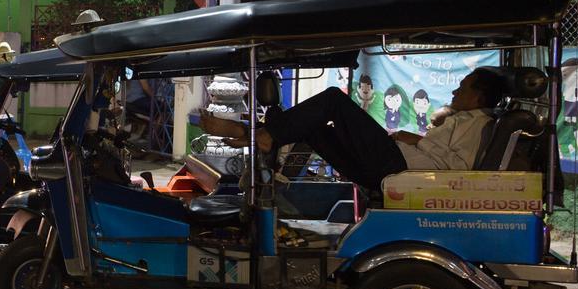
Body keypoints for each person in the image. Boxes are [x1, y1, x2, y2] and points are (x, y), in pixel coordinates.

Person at [200, 68, 507, 192]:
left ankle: (260, 134)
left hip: (399, 167)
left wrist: (418, 141)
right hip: (390, 167)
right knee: (312, 128)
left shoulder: (477, 121)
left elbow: (459, 168)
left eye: (463, 88)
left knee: (334, 98)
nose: (455, 92)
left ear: (479, 97)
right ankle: (255, 132)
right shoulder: (465, 119)